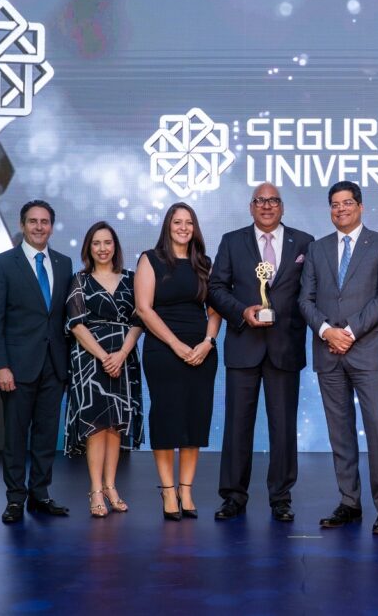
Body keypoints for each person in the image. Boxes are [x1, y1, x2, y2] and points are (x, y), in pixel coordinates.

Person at [298, 181, 378, 535]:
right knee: (339, 431)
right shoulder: (317, 249)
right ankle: (349, 502)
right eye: (334, 204)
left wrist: (349, 332)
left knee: (377, 425)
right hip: (328, 351)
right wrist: (327, 331)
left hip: (366, 350)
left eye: (347, 203)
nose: (340, 209)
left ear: (360, 206)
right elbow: (304, 299)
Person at [208, 183, 314, 522]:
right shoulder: (231, 241)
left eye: (273, 201)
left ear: (282, 207)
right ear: (251, 207)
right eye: (260, 201)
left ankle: (281, 497)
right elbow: (215, 288)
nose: (267, 206)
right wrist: (241, 311)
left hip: (285, 347)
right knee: (237, 425)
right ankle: (233, 497)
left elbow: (312, 292)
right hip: (244, 345)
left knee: (283, 428)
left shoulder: (305, 242)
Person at [0, 200, 74, 523]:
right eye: (33, 221)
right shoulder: (1, 264)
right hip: (16, 367)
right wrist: (0, 365)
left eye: (44, 221)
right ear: (22, 225)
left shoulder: (64, 263)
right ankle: (14, 499)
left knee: (47, 435)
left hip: (54, 365)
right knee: (16, 436)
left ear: (52, 226)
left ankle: (40, 494)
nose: (39, 227)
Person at [135, 202, 221, 521]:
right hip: (163, 350)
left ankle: (186, 490)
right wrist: (175, 344)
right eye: (177, 222)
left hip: (201, 351)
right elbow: (144, 309)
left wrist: (208, 343)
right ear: (167, 226)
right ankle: (168, 491)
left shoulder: (204, 263)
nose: (183, 227)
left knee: (194, 419)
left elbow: (215, 310)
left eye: (189, 222)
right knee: (166, 418)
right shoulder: (151, 259)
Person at [65, 221, 144, 518]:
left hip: (124, 358)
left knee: (116, 425)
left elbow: (139, 320)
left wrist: (121, 355)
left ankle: (111, 486)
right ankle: (96, 490)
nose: (102, 248)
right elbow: (76, 325)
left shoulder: (131, 278)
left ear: (115, 246)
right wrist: (103, 357)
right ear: (89, 248)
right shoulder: (80, 280)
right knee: (96, 426)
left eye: (107, 242)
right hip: (90, 360)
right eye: (96, 243)